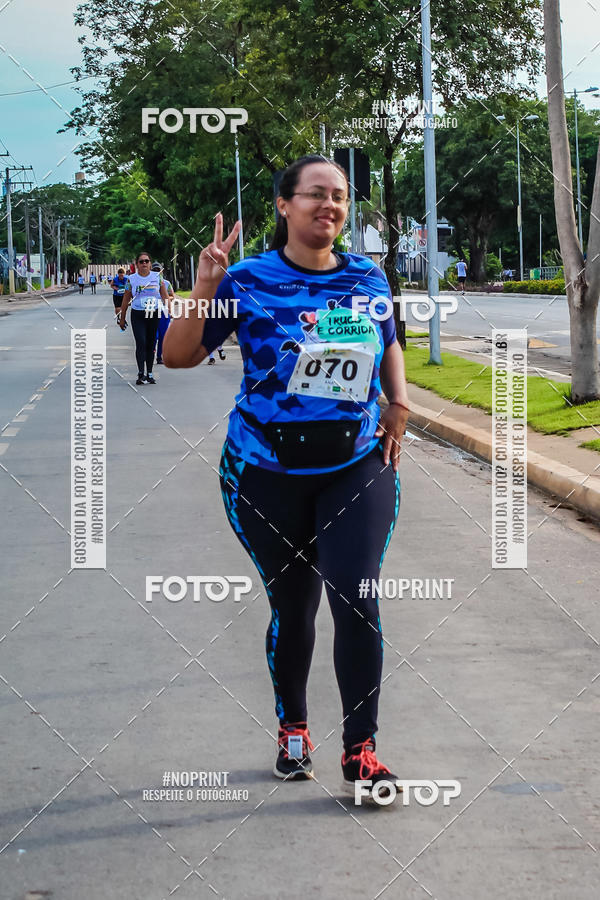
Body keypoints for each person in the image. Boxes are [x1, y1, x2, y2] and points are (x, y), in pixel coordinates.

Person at [164, 155, 410, 799]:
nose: (329, 205)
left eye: (339, 196)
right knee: (294, 608)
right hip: (264, 472)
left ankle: (361, 751)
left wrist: (399, 405)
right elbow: (178, 355)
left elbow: (388, 343)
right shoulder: (245, 279)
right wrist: (204, 287)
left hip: (355, 464)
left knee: (356, 594)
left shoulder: (366, 276)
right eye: (315, 195)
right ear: (284, 206)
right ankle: (293, 727)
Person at [118, 251, 168, 385]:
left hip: (153, 313)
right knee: (141, 343)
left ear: (150, 263)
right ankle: (141, 373)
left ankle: (150, 373)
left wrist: (168, 311)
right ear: (137, 264)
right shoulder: (131, 279)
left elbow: (165, 296)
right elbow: (125, 299)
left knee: (151, 344)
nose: (144, 263)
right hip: (138, 314)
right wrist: (122, 318)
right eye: (141, 261)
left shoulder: (158, 277)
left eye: (147, 261)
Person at [151, 262, 175, 364]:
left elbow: (172, 296)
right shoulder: (148, 283)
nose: (156, 272)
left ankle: (159, 357)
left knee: (163, 335)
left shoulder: (166, 283)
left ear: (162, 271)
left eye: (158, 270)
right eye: (154, 270)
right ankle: (151, 350)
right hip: (151, 311)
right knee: (154, 335)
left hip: (164, 311)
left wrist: (165, 297)